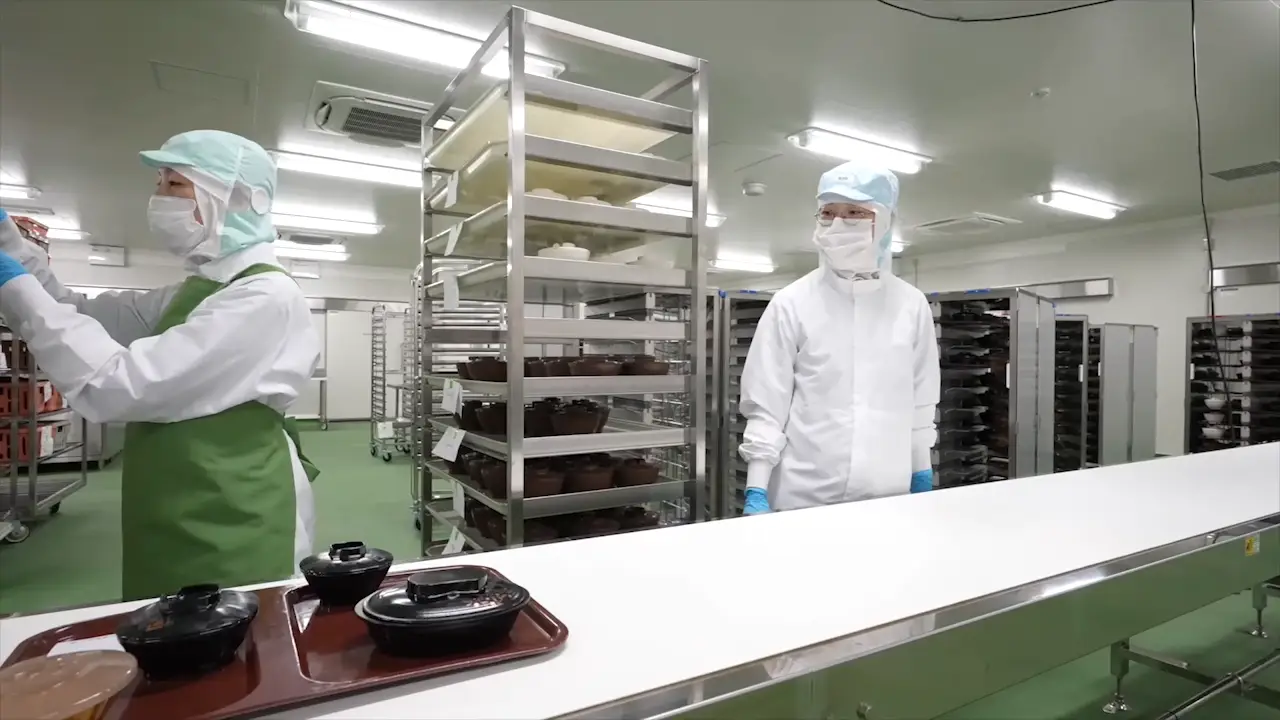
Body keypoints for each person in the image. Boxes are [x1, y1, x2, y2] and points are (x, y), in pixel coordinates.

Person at [0, 130, 321, 600]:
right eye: (159, 184)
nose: (160, 199)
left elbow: (118, 385)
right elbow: (75, 312)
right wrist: (12, 247)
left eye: (176, 185)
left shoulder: (264, 296)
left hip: (231, 504)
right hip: (181, 494)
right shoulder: (199, 290)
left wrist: (13, 288)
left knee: (233, 627)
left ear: (234, 199)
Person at [738, 162, 939, 515]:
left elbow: (921, 402)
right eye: (828, 213)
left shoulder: (911, 305)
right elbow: (767, 405)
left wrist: (921, 471)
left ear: (884, 219)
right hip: (804, 497)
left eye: (855, 213)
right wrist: (757, 488)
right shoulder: (791, 303)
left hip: (888, 496)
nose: (838, 224)